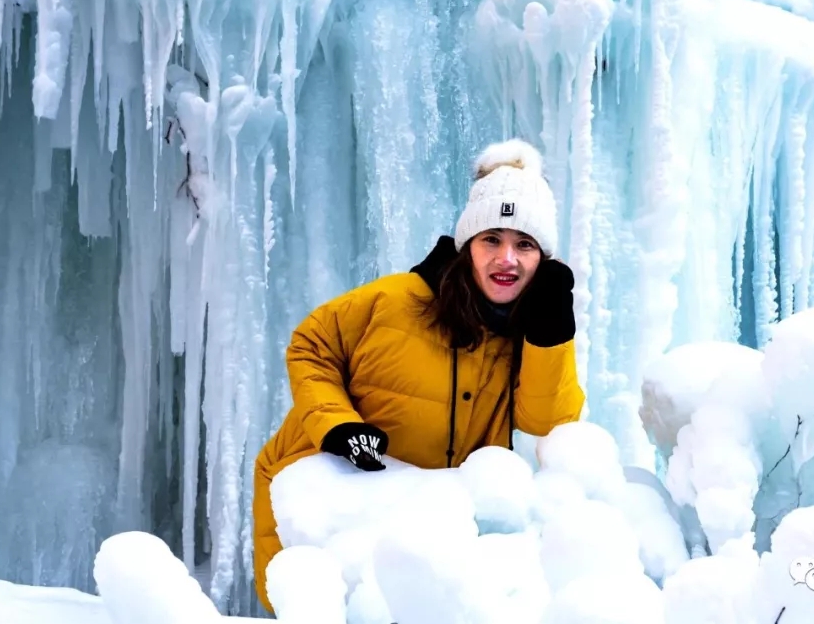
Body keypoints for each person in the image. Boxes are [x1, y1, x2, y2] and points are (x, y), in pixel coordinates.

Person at [251, 139, 586, 613]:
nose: (506, 259)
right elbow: (311, 344)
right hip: (317, 499)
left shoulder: (524, 334)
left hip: (412, 528)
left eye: (524, 244)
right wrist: (338, 426)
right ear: (468, 245)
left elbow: (546, 421)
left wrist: (552, 335)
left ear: (542, 259)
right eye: (492, 239)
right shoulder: (396, 300)